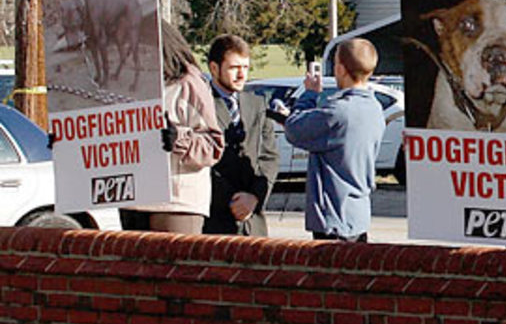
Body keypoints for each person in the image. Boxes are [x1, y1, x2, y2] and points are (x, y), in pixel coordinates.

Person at [122, 23, 225, 234]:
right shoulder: (124, 84)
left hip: (176, 203)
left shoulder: (188, 84)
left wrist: (179, 137)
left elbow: (213, 146)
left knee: (174, 266)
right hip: (131, 198)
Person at [284, 39, 385, 242]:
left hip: (334, 218)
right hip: (358, 214)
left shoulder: (338, 112)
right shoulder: (375, 109)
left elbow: (294, 129)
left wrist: (309, 95)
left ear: (340, 69)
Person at [203, 34, 279, 236]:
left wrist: (255, 197)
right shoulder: (201, 104)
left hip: (253, 223)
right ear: (214, 68)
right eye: (234, 68)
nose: (241, 75)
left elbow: (269, 157)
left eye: (245, 68)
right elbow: (202, 162)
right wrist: (232, 200)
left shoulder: (257, 104)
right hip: (215, 220)